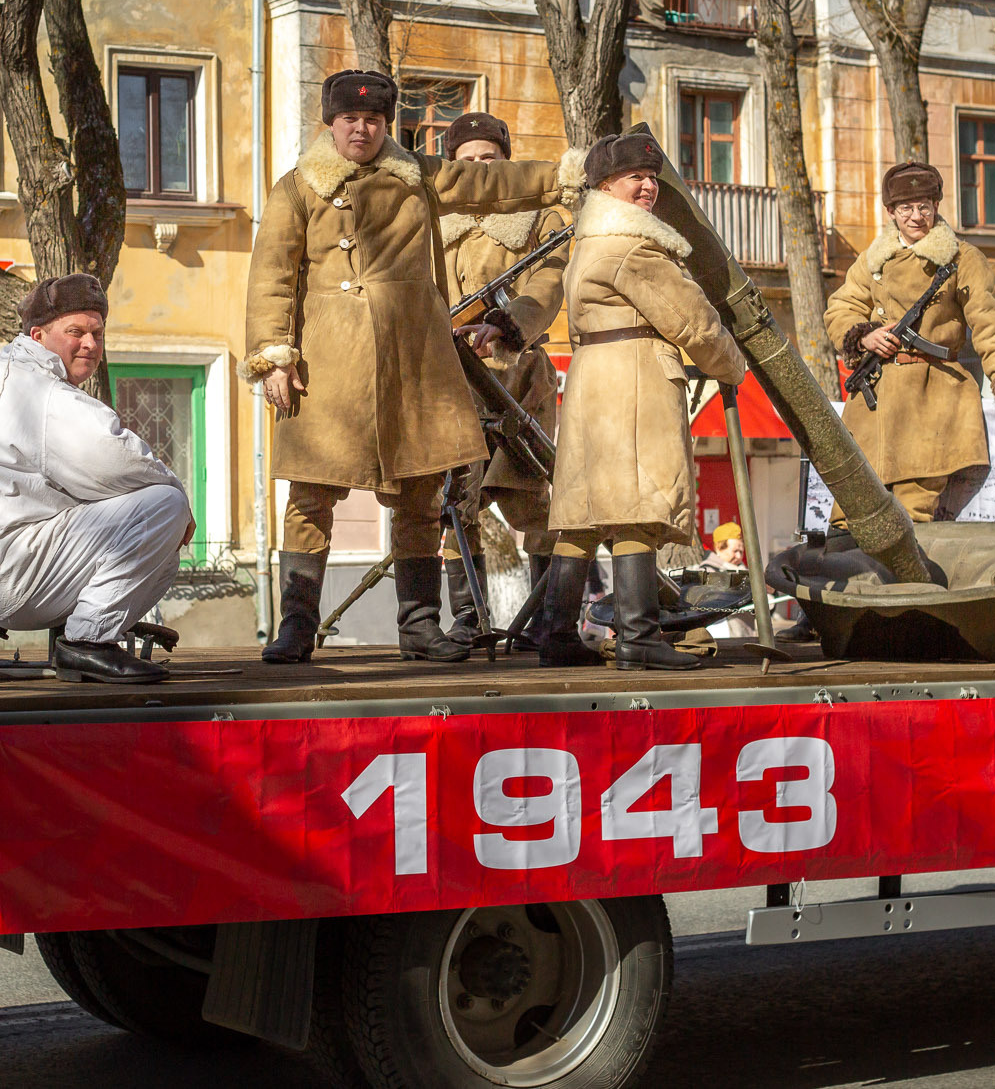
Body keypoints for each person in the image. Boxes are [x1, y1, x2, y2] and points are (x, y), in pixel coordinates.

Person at [244, 71, 580, 665]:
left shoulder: (417, 175)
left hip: (413, 364)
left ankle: (419, 625)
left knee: (421, 496)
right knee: (311, 497)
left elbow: (491, 183)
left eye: (373, 120)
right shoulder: (296, 188)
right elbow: (271, 275)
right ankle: (296, 626)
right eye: (351, 119)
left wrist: (567, 175)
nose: (363, 129)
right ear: (331, 123)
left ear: (386, 124)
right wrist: (273, 353)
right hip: (328, 363)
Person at [531, 133, 750, 671]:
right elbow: (692, 319)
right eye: (636, 177)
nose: (648, 186)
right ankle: (639, 636)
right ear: (606, 185)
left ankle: (556, 635)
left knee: (583, 516)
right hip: (633, 376)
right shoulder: (633, 244)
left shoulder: (591, 240)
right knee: (638, 509)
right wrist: (731, 364)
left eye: (652, 177)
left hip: (594, 378)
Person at [0, 274, 195, 685]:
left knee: (164, 552)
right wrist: (177, 492)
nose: (90, 344)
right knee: (166, 506)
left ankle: (89, 636)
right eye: (76, 332)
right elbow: (111, 456)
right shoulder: (41, 394)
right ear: (38, 335)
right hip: (16, 569)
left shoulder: (22, 380)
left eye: (97, 334)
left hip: (8, 565)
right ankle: (87, 643)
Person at [824, 161, 995, 522]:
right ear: (891, 212)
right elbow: (841, 307)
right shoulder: (872, 261)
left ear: (936, 206)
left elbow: (989, 322)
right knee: (851, 514)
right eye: (906, 208)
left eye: (924, 206)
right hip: (875, 400)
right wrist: (865, 337)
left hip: (932, 399)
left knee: (913, 517)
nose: (916, 216)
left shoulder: (962, 258)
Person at [435, 111, 572, 650]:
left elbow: (548, 282)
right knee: (454, 503)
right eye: (466, 161)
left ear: (506, 161)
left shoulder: (539, 218)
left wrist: (510, 323)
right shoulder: (434, 222)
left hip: (520, 379)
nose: (478, 169)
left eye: (489, 158)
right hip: (452, 380)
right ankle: (469, 620)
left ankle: (549, 621)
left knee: (535, 500)